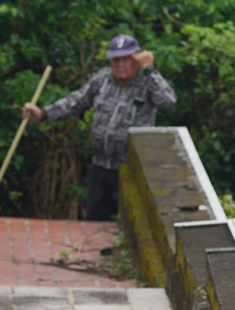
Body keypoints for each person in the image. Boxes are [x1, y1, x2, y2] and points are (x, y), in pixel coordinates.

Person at [21, 33, 176, 221]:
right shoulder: (102, 79)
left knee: (128, 227)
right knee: (94, 225)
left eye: (126, 59)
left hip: (129, 169)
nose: (120, 65)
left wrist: (149, 68)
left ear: (136, 60)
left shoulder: (147, 82)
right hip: (100, 167)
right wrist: (43, 113)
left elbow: (168, 101)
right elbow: (76, 101)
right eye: (115, 60)